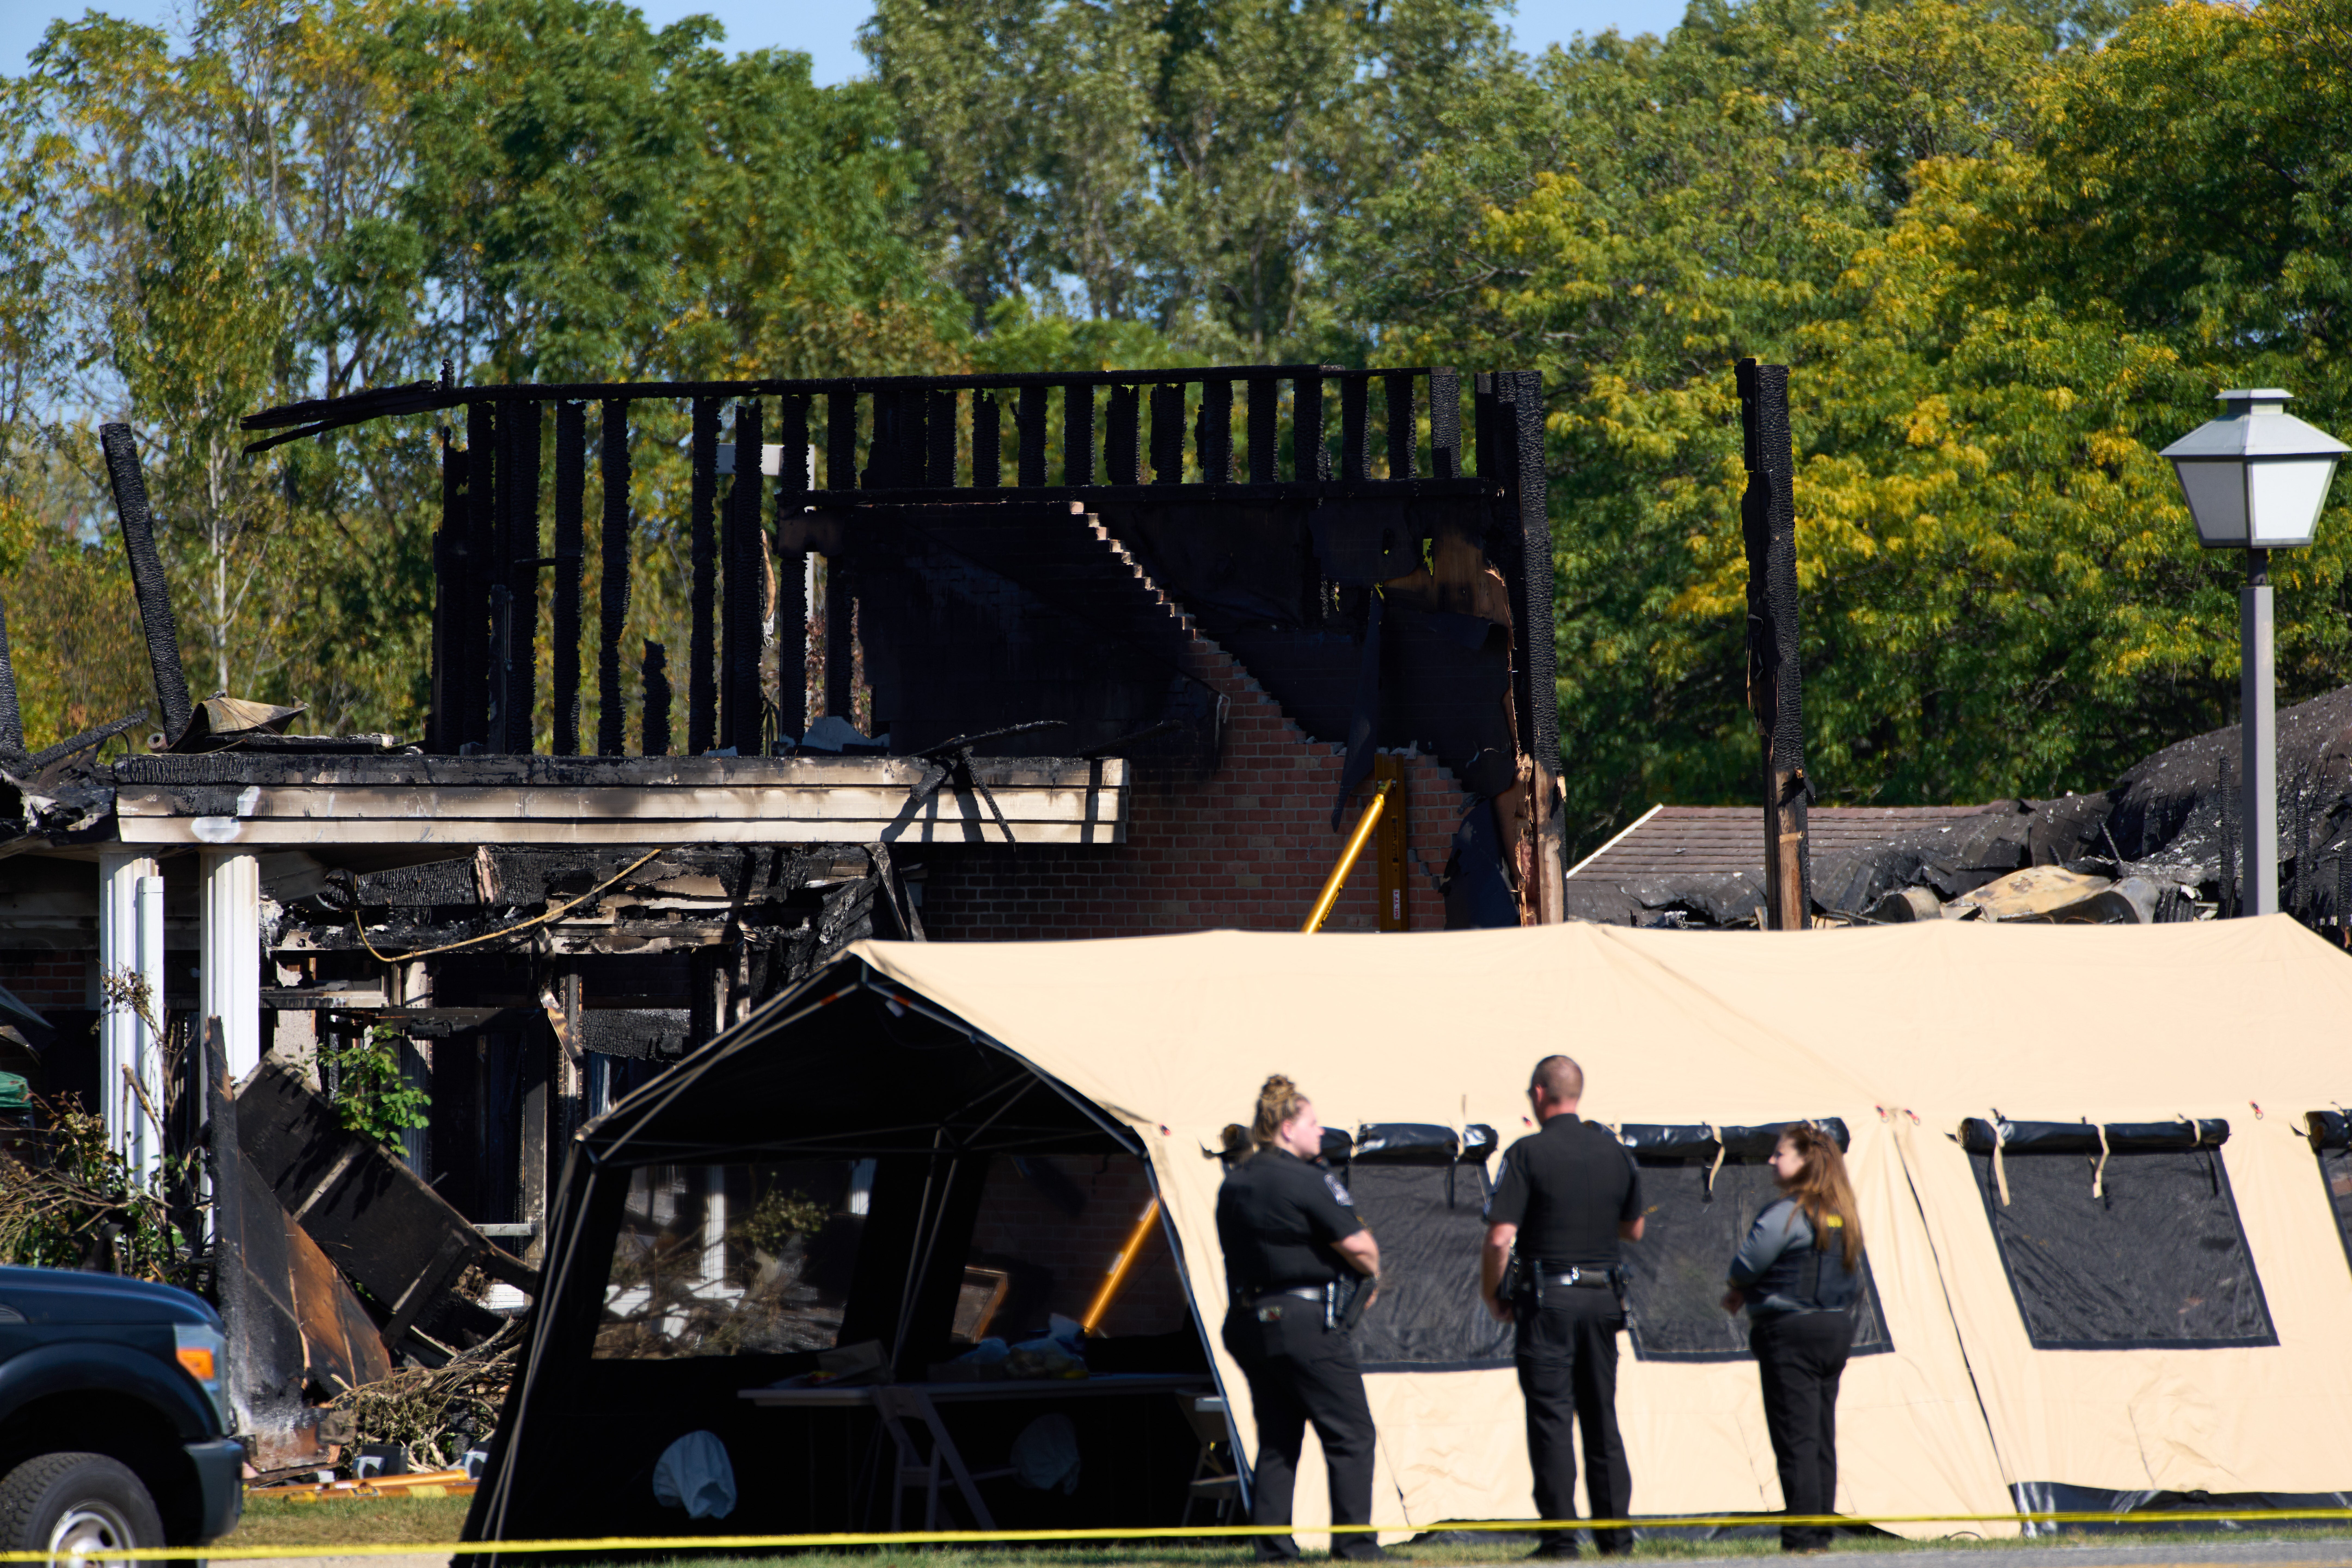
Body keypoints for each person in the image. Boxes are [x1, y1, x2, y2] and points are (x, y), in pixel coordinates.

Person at [1215, 1075, 1389, 1564]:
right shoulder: (1307, 1180)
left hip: (1249, 1321)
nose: (1321, 1131)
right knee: (1351, 1434)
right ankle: (1355, 1547)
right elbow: (1362, 1250)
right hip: (1302, 1322)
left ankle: (1273, 1550)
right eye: (1313, 1123)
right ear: (1288, 1128)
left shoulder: (1235, 1182)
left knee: (1278, 1439)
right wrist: (1369, 1272)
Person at [1481, 1055, 1643, 1561]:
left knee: (1552, 1419)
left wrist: (1494, 1292)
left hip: (1548, 1299)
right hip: (1604, 1297)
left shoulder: (1527, 1153)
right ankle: (1616, 1540)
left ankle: (1560, 1541)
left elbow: (1501, 1236)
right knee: (1601, 1417)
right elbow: (1635, 1228)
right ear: (1578, 1093)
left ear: (1538, 1093)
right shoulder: (1615, 1151)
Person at [1719, 1123, 1865, 1554]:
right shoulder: (1843, 1213)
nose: (1771, 1160)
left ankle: (1802, 1539)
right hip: (1835, 1329)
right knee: (1820, 1436)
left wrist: (1738, 1288)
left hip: (1791, 1333)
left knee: (1795, 1437)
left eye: (1779, 1154)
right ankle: (1818, 1533)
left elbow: (1747, 1264)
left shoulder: (1786, 1214)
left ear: (1804, 1162)